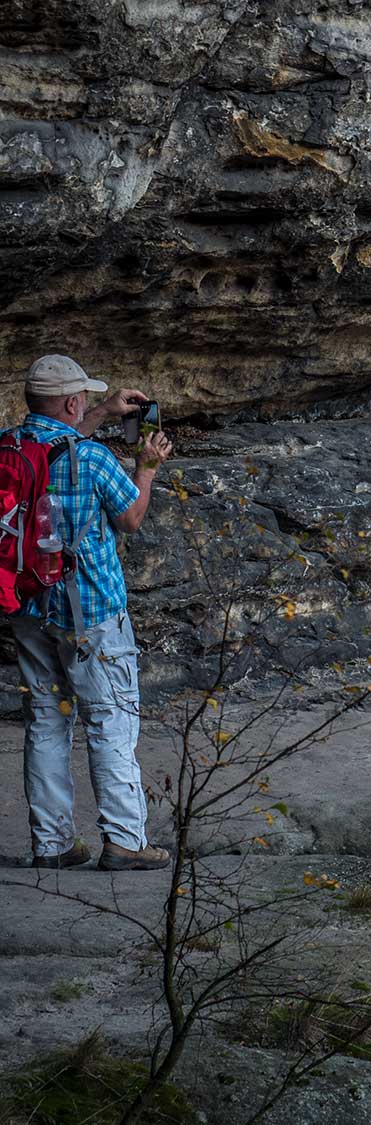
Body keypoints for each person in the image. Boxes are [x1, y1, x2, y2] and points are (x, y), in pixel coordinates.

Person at [7, 355, 173, 870]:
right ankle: (124, 840)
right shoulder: (95, 459)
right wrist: (147, 467)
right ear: (72, 402)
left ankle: (53, 844)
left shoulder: (9, 447)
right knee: (110, 720)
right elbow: (131, 518)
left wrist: (101, 412)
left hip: (28, 606)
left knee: (46, 721)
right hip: (92, 613)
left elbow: (54, 446)